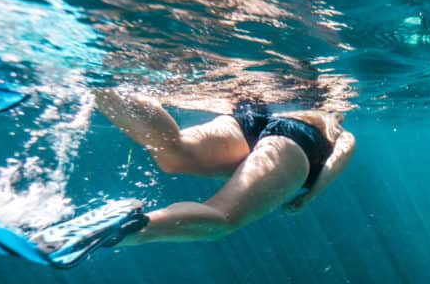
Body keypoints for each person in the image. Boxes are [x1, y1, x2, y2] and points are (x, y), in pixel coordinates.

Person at [84, 89, 356, 246]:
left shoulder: (294, 108)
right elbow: (336, 159)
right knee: (222, 218)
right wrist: (310, 196)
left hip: (251, 116)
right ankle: (127, 230)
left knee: (175, 153)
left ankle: (104, 88)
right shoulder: (337, 130)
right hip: (297, 138)